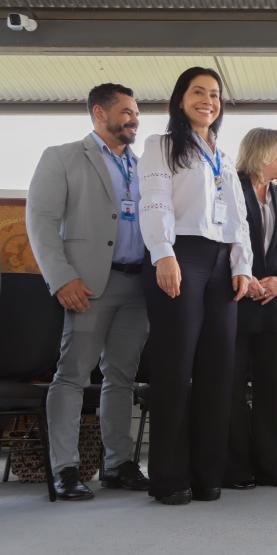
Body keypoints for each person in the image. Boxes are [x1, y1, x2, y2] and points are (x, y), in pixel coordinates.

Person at [26, 83, 150, 500]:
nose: (135, 119)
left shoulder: (144, 165)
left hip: (137, 285)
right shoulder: (62, 157)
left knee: (122, 375)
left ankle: (117, 463)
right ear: (99, 113)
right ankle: (64, 468)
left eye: (136, 113)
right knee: (73, 374)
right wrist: (61, 277)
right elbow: (41, 222)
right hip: (87, 284)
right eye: (127, 112)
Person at [138, 67, 253, 505]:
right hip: (180, 256)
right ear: (180, 99)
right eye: (198, 92)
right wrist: (163, 253)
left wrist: (242, 264)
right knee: (174, 369)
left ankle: (209, 474)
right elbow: (155, 200)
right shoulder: (162, 146)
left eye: (215, 94)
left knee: (218, 371)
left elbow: (238, 217)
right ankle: (169, 477)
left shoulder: (223, 157)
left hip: (222, 263)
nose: (209, 100)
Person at [223, 128, 277, 490]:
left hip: (274, 307)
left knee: (272, 389)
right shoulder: (229, 188)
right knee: (233, 388)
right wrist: (247, 277)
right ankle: (237, 468)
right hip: (237, 302)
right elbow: (220, 237)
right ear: (263, 153)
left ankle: (273, 466)